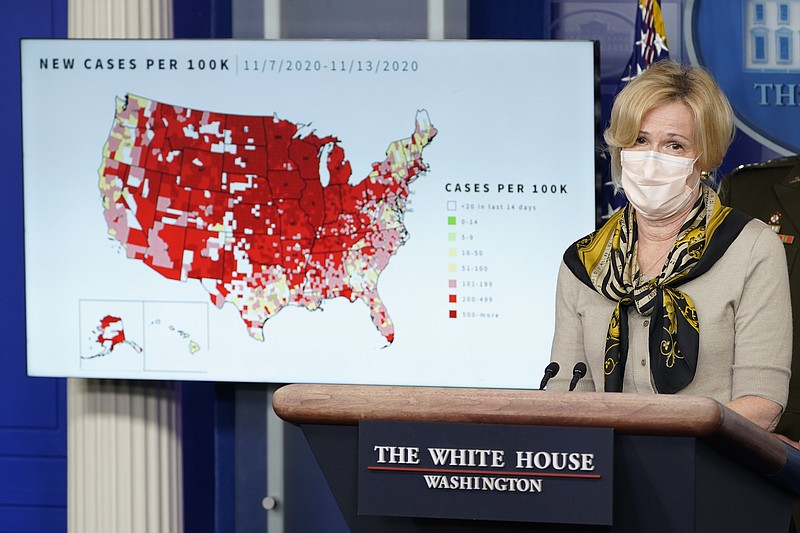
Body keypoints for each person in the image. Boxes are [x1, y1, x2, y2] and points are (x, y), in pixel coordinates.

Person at [547, 60, 792, 431]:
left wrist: (666, 448)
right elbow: (562, 395)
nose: (651, 159)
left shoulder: (752, 248)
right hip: (603, 477)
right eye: (640, 141)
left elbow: (762, 404)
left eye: (674, 145)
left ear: (704, 159)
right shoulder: (583, 262)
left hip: (712, 475)